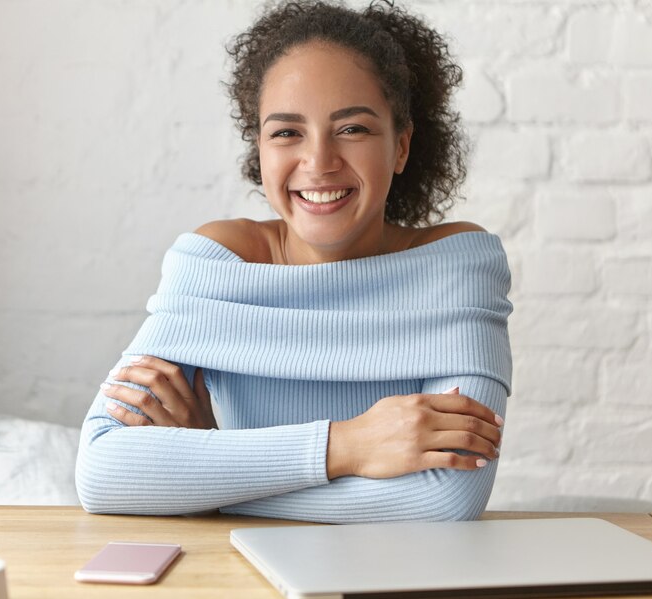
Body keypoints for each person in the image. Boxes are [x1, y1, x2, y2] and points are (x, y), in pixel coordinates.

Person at [75, 0, 512, 523]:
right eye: (286, 132)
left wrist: (202, 478)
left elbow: (444, 499)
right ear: (259, 151)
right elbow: (103, 472)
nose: (319, 162)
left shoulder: (456, 268)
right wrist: (347, 445)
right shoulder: (217, 264)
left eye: (353, 129)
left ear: (401, 146)